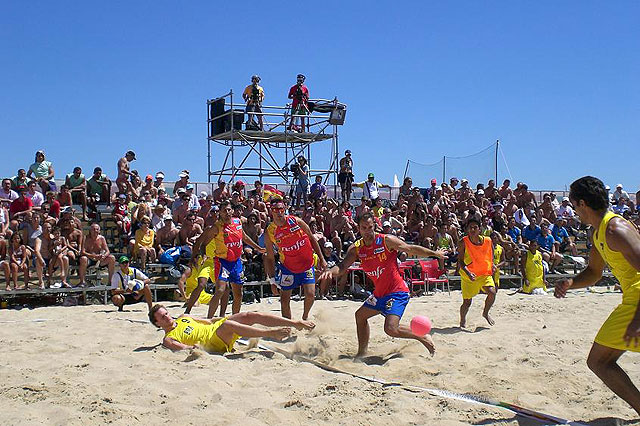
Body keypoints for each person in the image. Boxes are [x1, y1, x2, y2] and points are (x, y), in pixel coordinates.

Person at [554, 176, 640, 416]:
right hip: (631, 299)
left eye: (574, 205)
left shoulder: (615, 229)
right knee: (599, 361)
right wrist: (570, 283)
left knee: (599, 362)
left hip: (637, 301)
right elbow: (594, 272)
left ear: (582, 204)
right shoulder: (599, 232)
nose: (574, 211)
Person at [320, 212, 442, 357]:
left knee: (390, 329)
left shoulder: (386, 240)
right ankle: (362, 353)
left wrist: (434, 253)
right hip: (379, 293)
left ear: (375, 226)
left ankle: (421, 335)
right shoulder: (356, 248)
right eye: (364, 228)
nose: (367, 231)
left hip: (397, 291)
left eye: (370, 227)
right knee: (360, 316)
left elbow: (410, 249)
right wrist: (330, 272)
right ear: (359, 229)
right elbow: (342, 266)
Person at [149, 304, 315, 353]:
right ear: (158, 324)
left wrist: (228, 317)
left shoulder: (183, 317)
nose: (167, 317)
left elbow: (209, 320)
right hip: (212, 341)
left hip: (215, 328)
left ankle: (295, 323)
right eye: (163, 317)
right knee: (228, 325)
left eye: (166, 313)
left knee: (248, 315)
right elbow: (187, 349)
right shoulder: (168, 338)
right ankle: (270, 333)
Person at [264, 197, 327, 320]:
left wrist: (322, 258)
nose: (278, 212)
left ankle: (305, 317)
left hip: (307, 264)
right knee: (284, 300)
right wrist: (272, 280)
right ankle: (288, 325)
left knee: (310, 295)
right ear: (271, 211)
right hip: (288, 267)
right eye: (275, 210)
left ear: (285, 209)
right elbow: (270, 258)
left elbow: (312, 238)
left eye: (281, 209)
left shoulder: (296, 221)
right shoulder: (270, 231)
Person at [457, 218, 497, 328]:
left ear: (480, 229)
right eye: (470, 228)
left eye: (475, 227)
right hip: (468, 275)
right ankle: (462, 321)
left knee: (492, 292)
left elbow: (491, 252)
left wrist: (492, 264)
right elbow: (460, 261)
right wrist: (468, 273)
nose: (473, 230)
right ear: (467, 230)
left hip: (484, 273)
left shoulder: (488, 240)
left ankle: (485, 313)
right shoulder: (463, 242)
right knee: (467, 302)